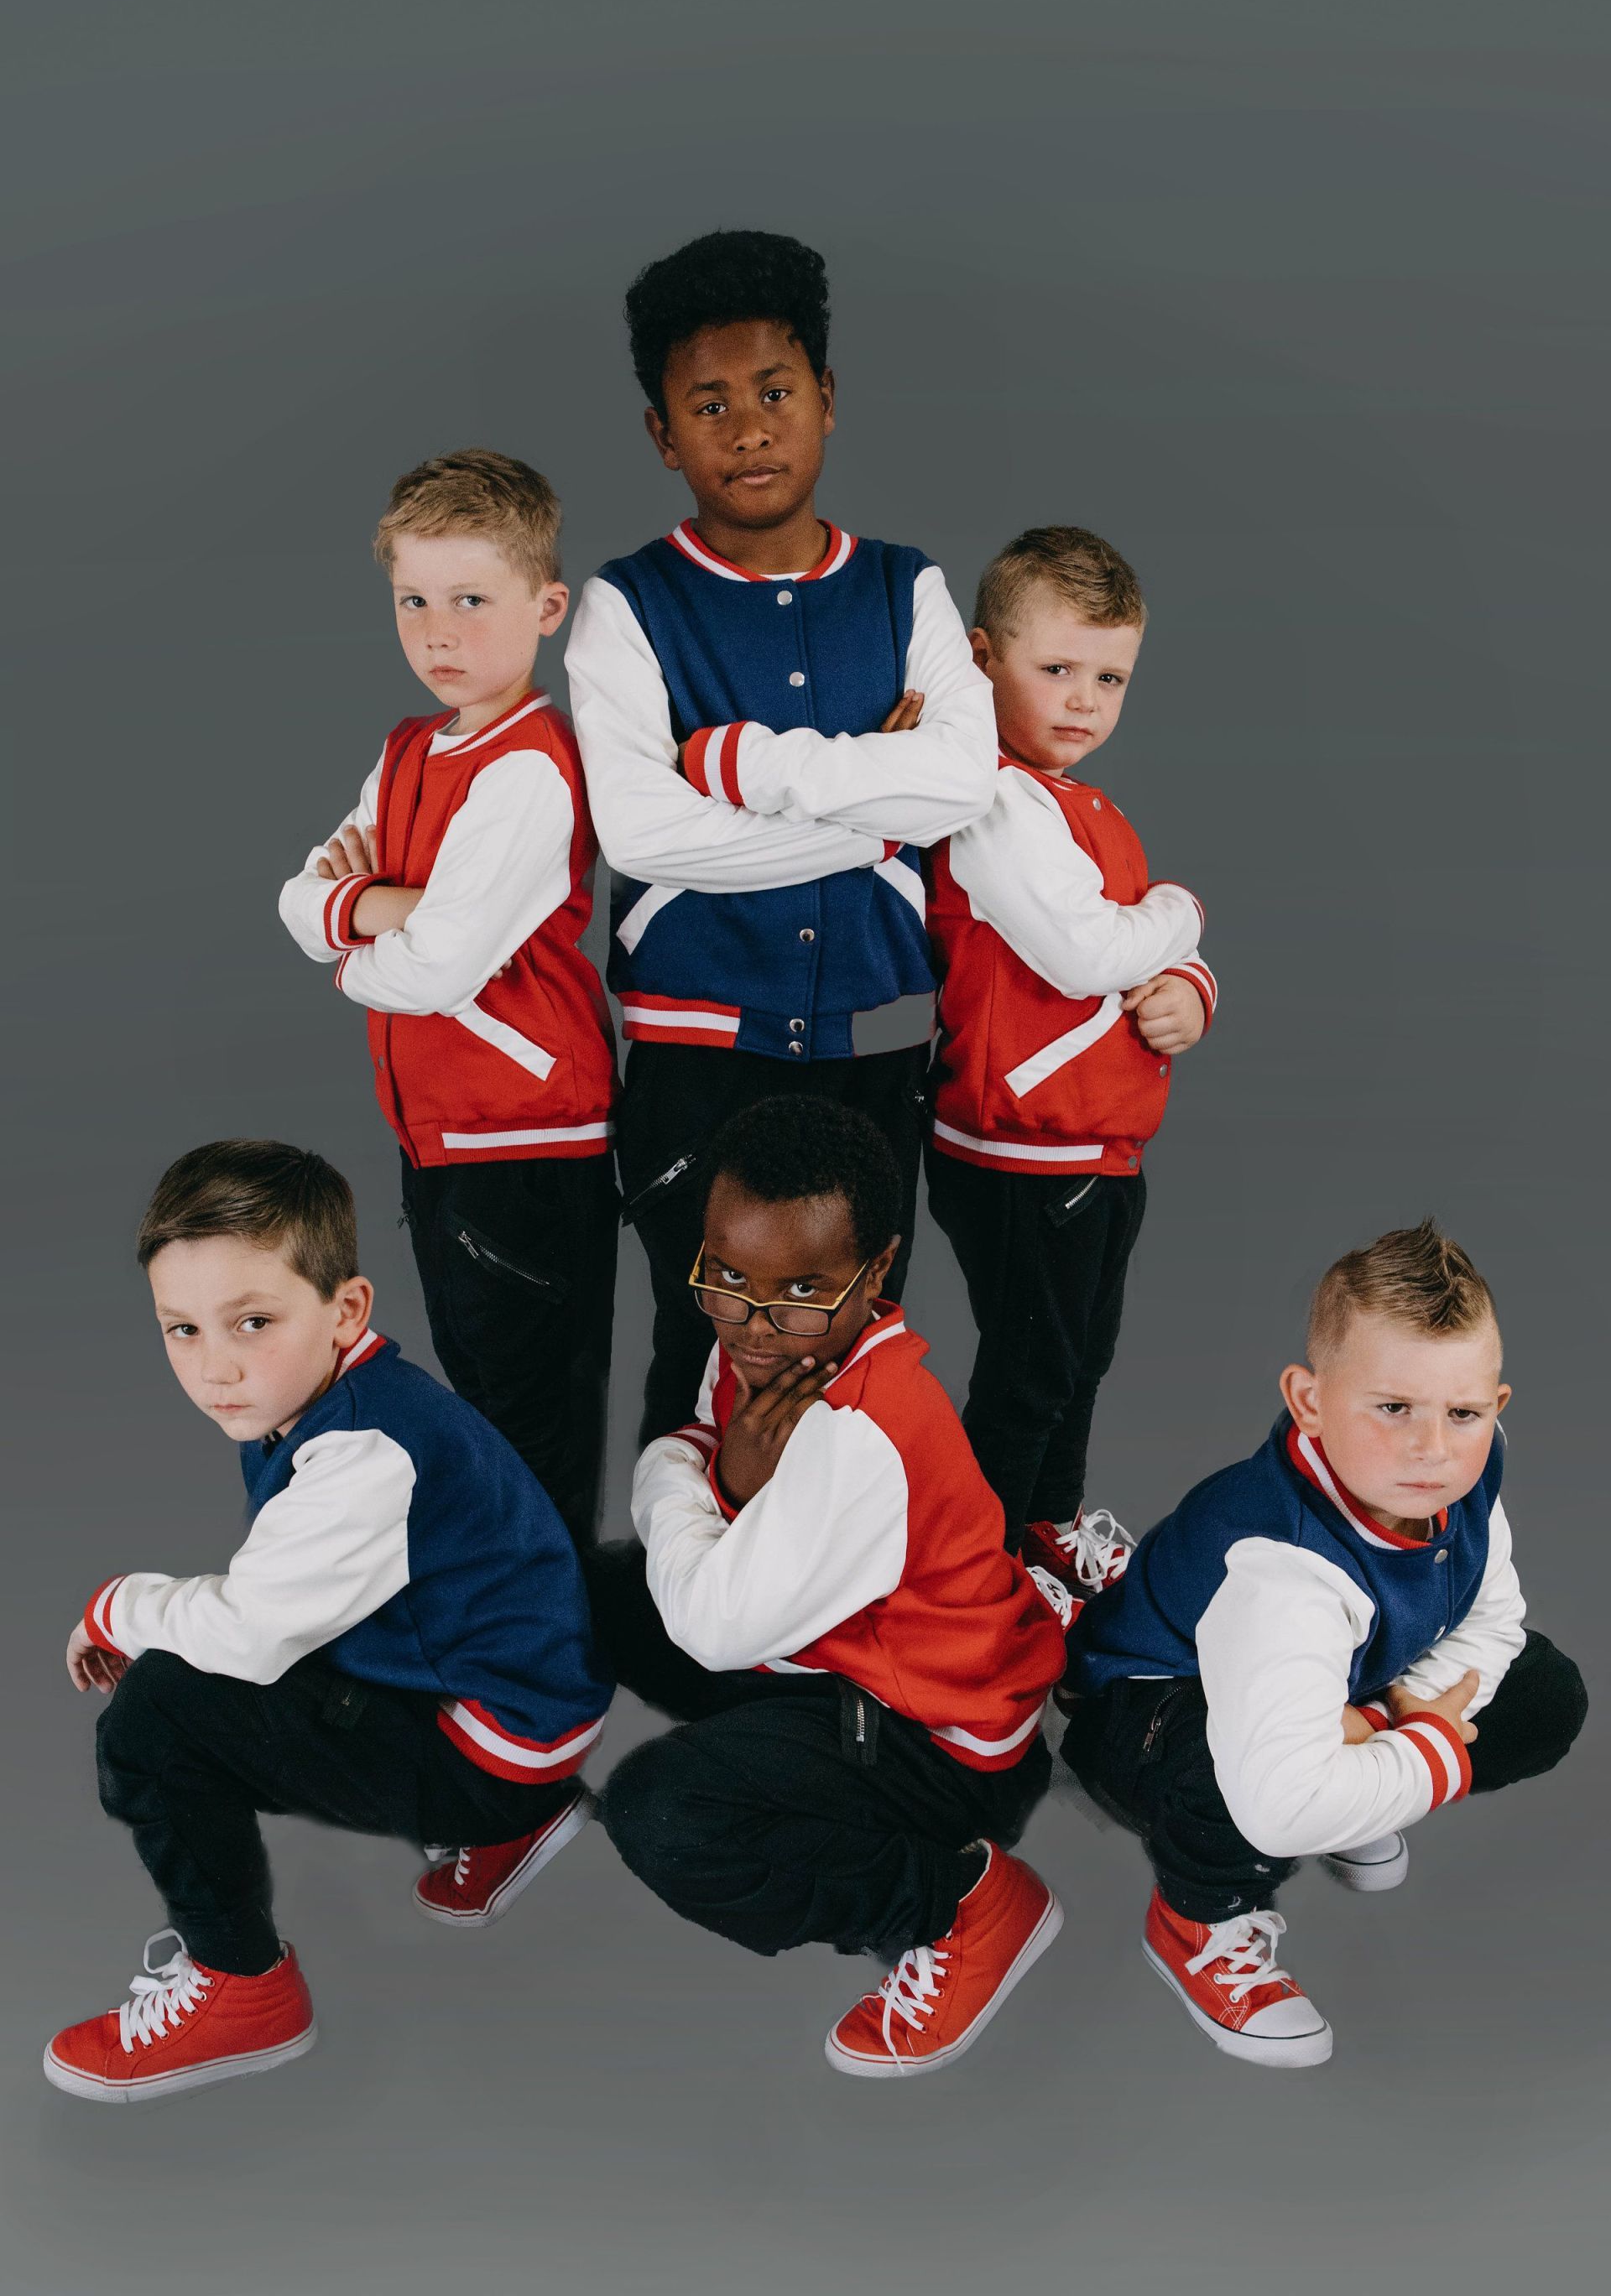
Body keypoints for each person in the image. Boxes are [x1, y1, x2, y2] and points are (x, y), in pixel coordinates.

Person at [44, 1142, 612, 2104]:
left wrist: (117, 1606)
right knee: (208, 1648)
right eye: (181, 1329)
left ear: (346, 1308)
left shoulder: (362, 1453)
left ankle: (244, 1986)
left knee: (155, 1715)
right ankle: (524, 1815)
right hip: (516, 1702)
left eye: (251, 1322)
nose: (215, 1368)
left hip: (488, 1743)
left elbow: (255, 1631)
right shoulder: (327, 1391)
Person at [566, 229, 997, 1442]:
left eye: (775, 393)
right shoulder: (627, 603)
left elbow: (961, 786)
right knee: (701, 1346)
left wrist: (751, 779)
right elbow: (645, 833)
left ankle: (830, 1622)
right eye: (709, 404)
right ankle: (676, 1611)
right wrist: (874, 813)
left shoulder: (906, 586)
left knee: (858, 1349)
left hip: (875, 1046)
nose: (749, 428)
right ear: (662, 434)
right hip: (699, 1053)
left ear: (827, 402)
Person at [587, 1097, 1070, 2079]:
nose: (755, 1328)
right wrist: (715, 1484)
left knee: (661, 1815)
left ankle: (955, 1902)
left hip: (946, 1744)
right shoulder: (768, 1347)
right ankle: (498, 1789)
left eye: (800, 1290)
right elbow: (697, 1456)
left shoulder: (859, 1430)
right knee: (585, 1594)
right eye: (726, 1278)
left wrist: (706, 1482)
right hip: (846, 1656)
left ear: (878, 1270)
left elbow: (713, 1620)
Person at [1061, 1220, 1586, 2069]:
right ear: (1309, 1400)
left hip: (1334, 1686)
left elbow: (1492, 1620)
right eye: (1392, 1409)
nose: (1430, 1448)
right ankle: (1199, 1919)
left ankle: (1357, 1774)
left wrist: (1381, 1725)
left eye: (1462, 1412)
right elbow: (1276, 1805)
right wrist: (1426, 1748)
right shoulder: (1284, 1570)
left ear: (1495, 1405)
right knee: (1243, 1791)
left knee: (1545, 1693)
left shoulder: (1466, 1473)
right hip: (1146, 1708)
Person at [279, 449, 618, 1544]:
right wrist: (375, 906)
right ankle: (508, 1630)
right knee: (481, 1403)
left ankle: (543, 1659)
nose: (438, 630)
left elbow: (438, 968)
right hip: (444, 1139)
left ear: (546, 608)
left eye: (472, 600)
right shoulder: (410, 752)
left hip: (528, 1140)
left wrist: (352, 933)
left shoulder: (529, 765)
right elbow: (297, 896)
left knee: (527, 1417)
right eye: (413, 600)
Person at [924, 525, 1217, 1577]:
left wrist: (1190, 985)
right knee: (1032, 1369)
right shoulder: (995, 801)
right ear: (981, 657)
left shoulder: (1086, 805)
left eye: (1110, 677)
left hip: (1098, 1147)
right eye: (1056, 670)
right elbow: (1091, 948)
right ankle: (978, 1566)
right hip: (1021, 1149)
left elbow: (1137, 969)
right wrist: (1183, 914)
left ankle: (1047, 1524)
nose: (1085, 699)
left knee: (1079, 1361)